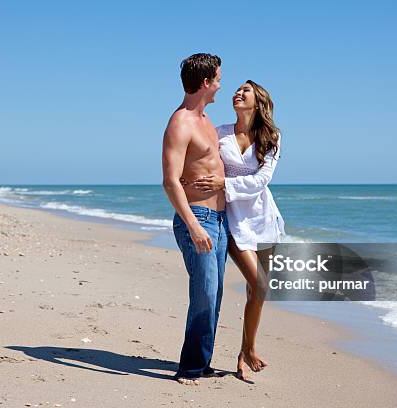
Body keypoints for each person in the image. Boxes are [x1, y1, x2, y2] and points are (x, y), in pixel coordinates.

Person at [184, 80, 285, 381]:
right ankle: (249, 350)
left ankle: (244, 351)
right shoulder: (220, 133)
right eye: (237, 90)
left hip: (264, 219)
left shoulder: (272, 137)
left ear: (259, 101)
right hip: (233, 219)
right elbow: (204, 162)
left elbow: (261, 181)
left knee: (257, 291)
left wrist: (223, 184)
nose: (238, 93)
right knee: (261, 284)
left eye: (246, 91)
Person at [161, 53, 229, 385]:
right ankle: (189, 368)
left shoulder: (207, 122)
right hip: (198, 218)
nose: (220, 84)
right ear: (205, 83)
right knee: (204, 292)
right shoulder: (181, 122)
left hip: (219, 219)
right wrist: (192, 224)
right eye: (217, 78)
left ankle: (202, 362)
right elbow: (170, 180)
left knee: (214, 294)